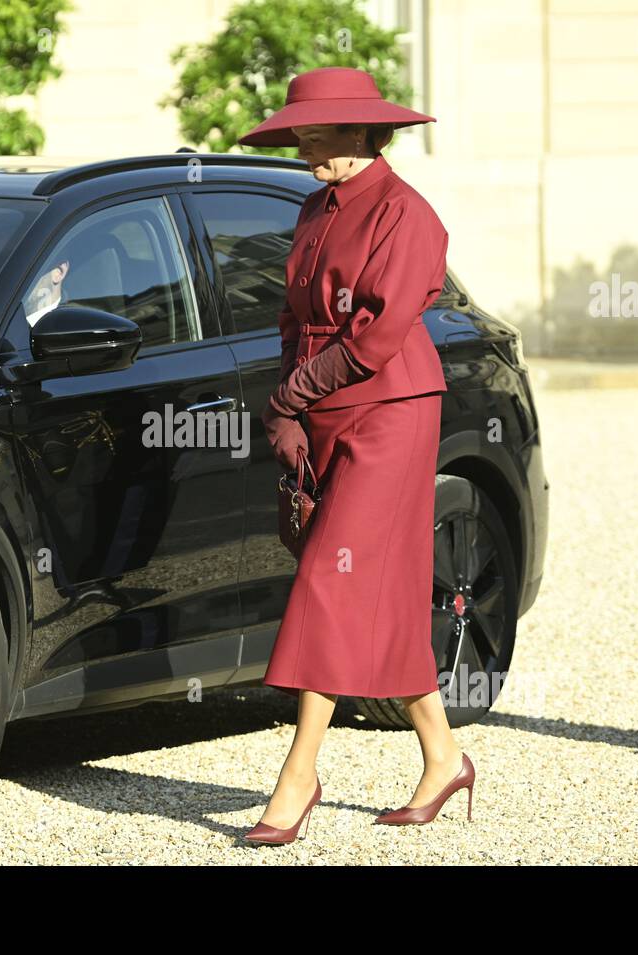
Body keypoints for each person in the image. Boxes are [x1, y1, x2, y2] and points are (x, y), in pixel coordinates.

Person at [235, 67, 472, 844]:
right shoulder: (313, 207)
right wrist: (289, 409)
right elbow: (290, 317)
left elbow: (374, 335)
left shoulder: (409, 215)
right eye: (300, 129)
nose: (304, 142)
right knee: (382, 592)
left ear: (366, 132)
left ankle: (297, 773)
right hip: (322, 408)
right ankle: (443, 755)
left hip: (392, 413)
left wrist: (293, 394)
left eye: (318, 129)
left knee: (328, 580)